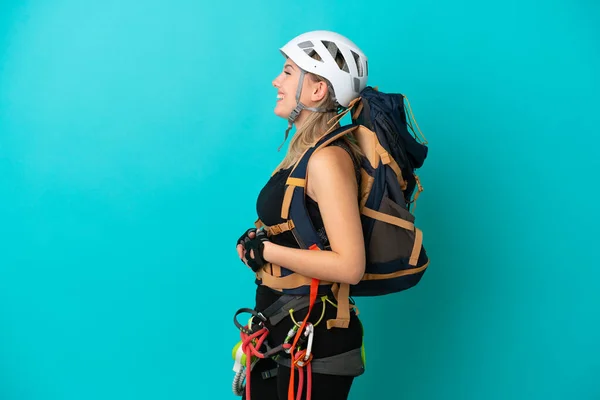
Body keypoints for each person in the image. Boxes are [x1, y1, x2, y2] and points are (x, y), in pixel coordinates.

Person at [234, 30, 369, 400]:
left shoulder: (327, 159)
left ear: (317, 90)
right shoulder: (303, 155)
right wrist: (257, 245)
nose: (277, 81)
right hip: (280, 324)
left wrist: (269, 253)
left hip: (316, 337)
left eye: (289, 72)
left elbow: (350, 265)